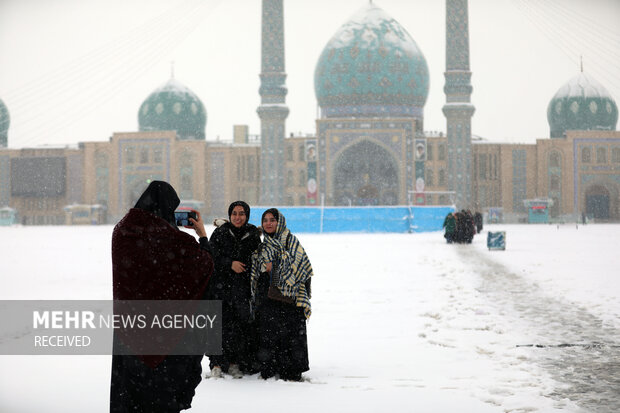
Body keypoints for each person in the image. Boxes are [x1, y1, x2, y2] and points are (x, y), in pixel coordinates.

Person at [110, 181, 213, 413]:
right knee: (159, 399)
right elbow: (205, 265)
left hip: (128, 333)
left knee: (130, 397)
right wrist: (202, 236)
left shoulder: (121, 231)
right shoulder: (170, 239)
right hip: (163, 337)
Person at [250, 208, 313, 381]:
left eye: (272, 220)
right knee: (270, 334)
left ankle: (291, 370)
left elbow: (303, 269)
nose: (268, 223)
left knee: (291, 336)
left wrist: (275, 265)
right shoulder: (263, 245)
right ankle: (271, 368)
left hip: (291, 299)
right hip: (268, 298)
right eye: (265, 220)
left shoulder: (291, 242)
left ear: (280, 222)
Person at [206, 201, 261, 378]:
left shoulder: (252, 234)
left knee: (239, 327)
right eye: (235, 214)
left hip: (242, 290)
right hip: (221, 289)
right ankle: (216, 363)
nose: (238, 217)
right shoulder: (220, 232)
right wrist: (230, 264)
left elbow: (258, 257)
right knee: (218, 325)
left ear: (247, 216)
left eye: (242, 214)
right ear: (230, 215)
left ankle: (233, 362)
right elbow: (210, 257)